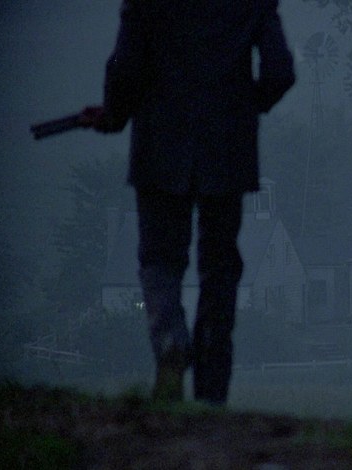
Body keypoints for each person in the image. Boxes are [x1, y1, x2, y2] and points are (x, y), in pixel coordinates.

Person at [81, 0, 295, 404]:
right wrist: (247, 105)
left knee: (160, 257)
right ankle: (212, 388)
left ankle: (170, 342)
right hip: (228, 148)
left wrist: (114, 115)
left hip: (159, 144)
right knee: (220, 266)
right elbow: (280, 71)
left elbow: (125, 68)